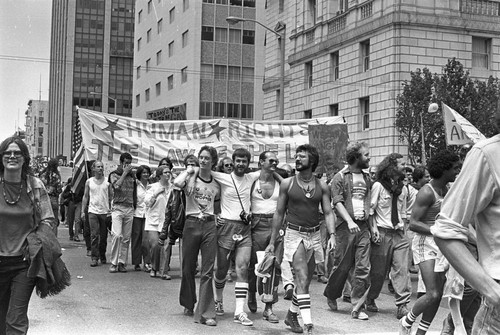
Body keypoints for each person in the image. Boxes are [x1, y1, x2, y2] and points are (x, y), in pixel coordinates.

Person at [431, 111, 500, 335]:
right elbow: (446, 229)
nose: (456, 170)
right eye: (454, 167)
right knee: (440, 295)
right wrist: (492, 291)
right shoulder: (488, 154)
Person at [266, 144, 336, 335]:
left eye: (302, 157)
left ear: (312, 161)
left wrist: (332, 235)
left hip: (314, 235)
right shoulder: (287, 184)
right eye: (296, 156)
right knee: (302, 277)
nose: (297, 159)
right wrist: (272, 242)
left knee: (304, 283)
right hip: (294, 234)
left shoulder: (322, 186)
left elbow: (328, 212)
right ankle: (309, 324)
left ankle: (291, 314)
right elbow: (279, 213)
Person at [192, 148, 260, 326]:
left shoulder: (251, 177)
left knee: (243, 268)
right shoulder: (223, 177)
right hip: (226, 227)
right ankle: (219, 299)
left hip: (245, 227)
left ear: (248, 163)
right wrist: (216, 216)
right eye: (237, 161)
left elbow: (269, 169)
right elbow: (198, 169)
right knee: (221, 269)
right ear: (232, 162)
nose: (240, 164)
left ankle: (239, 311)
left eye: (244, 161)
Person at [399, 151, 460, 335]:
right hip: (425, 243)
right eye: (455, 168)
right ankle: (406, 321)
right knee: (432, 293)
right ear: (444, 169)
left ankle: (421, 333)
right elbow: (413, 223)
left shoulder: (447, 189)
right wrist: (435, 230)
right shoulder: (426, 191)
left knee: (437, 295)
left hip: (440, 244)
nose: (458, 171)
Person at [0, 137, 56, 334]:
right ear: (2, 157)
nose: (12, 156)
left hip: (24, 264)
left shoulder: (35, 185)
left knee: (15, 320)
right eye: (8, 153)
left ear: (25, 158)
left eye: (17, 153)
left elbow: (48, 220)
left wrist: (35, 242)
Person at [324, 142, 372, 320]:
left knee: (363, 267)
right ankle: (331, 294)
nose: (369, 158)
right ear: (356, 157)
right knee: (341, 266)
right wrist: (350, 221)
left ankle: (358, 306)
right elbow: (337, 202)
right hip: (345, 228)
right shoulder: (340, 177)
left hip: (363, 226)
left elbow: (368, 204)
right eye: (366, 155)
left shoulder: (367, 178)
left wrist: (372, 227)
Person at [173, 146, 220, 326]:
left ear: (213, 161)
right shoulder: (190, 177)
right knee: (187, 267)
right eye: (201, 157)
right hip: (191, 222)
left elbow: (217, 205)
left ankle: (207, 312)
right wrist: (190, 172)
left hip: (209, 223)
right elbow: (177, 184)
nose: (203, 160)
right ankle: (188, 302)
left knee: (207, 270)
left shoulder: (216, 182)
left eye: (207, 158)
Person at [366, 153, 411, 320]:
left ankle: (402, 305)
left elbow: (404, 212)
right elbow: (371, 211)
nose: (404, 167)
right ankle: (370, 298)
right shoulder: (378, 186)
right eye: (401, 164)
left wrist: (404, 231)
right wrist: (373, 229)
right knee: (378, 272)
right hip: (382, 233)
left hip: (399, 234)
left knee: (402, 270)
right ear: (391, 166)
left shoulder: (403, 189)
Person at [247, 151, 281, 323]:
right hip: (256, 224)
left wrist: (276, 174)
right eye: (271, 160)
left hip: (275, 224)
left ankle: (268, 307)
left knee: (273, 266)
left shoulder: (280, 181)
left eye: (276, 161)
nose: (275, 163)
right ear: (261, 162)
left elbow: (290, 188)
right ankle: (251, 293)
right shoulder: (252, 180)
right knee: (255, 265)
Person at [108, 152, 136, 273]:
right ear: (121, 163)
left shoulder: (133, 176)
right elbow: (116, 186)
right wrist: (124, 173)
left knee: (126, 238)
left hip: (129, 208)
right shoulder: (114, 175)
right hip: (118, 208)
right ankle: (113, 262)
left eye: (130, 163)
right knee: (117, 235)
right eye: (126, 163)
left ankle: (121, 262)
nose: (128, 166)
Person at [81, 161, 112, 267]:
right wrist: (82, 211)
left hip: (104, 212)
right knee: (94, 235)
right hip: (92, 211)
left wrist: (111, 210)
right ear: (93, 169)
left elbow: (111, 196)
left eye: (102, 167)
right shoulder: (89, 182)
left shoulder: (108, 182)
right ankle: (94, 257)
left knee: (103, 237)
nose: (100, 168)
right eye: (98, 167)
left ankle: (102, 254)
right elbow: (85, 197)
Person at [144, 165, 172, 278]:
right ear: (160, 175)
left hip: (167, 221)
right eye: (165, 172)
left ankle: (164, 271)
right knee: (155, 245)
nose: (168, 174)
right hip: (153, 221)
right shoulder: (152, 187)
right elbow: (147, 203)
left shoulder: (173, 187)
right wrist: (156, 194)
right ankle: (154, 267)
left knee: (166, 246)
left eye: (169, 172)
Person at [131, 165, 151, 271]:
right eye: (143, 172)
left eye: (147, 172)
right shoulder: (135, 185)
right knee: (136, 238)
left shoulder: (151, 185)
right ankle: (136, 262)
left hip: (148, 215)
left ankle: (147, 262)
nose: (146, 174)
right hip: (136, 214)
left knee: (145, 240)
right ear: (139, 174)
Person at [39, 158, 62, 236]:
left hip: (43, 199)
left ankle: (45, 238)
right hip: (53, 199)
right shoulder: (57, 176)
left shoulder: (42, 175)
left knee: (44, 220)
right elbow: (59, 189)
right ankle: (54, 239)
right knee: (54, 221)